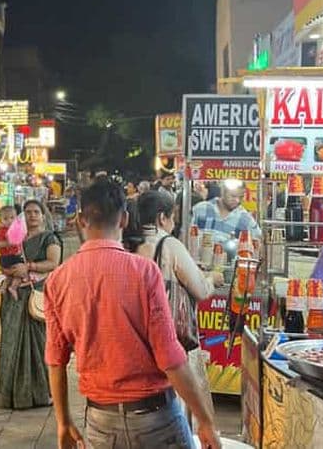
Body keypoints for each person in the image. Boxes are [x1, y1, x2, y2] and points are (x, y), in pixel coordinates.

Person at [45, 178, 221, 449]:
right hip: (157, 419)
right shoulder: (143, 271)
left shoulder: (57, 280)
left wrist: (63, 421)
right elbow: (170, 356)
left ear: (81, 220)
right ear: (125, 219)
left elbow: (56, 360)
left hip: (100, 422)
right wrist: (205, 420)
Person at [135, 190, 222, 426]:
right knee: (179, 407)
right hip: (170, 339)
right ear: (162, 217)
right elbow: (201, 290)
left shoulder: (127, 243)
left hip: (137, 341)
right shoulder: (167, 244)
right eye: (172, 217)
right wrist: (213, 278)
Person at [0, 199, 62, 409]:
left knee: (39, 344)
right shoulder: (17, 238)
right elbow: (5, 257)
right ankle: (12, 394)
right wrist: (7, 271)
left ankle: (41, 393)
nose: (32, 215)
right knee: (11, 343)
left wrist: (29, 266)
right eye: (27, 212)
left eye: (35, 212)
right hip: (14, 299)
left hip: (36, 295)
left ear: (43, 215)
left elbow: (53, 263)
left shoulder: (49, 238)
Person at [191, 179, 262, 244]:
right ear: (222, 192)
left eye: (241, 197)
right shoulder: (200, 209)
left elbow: (258, 242)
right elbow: (185, 237)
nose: (237, 200)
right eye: (233, 196)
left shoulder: (246, 220)